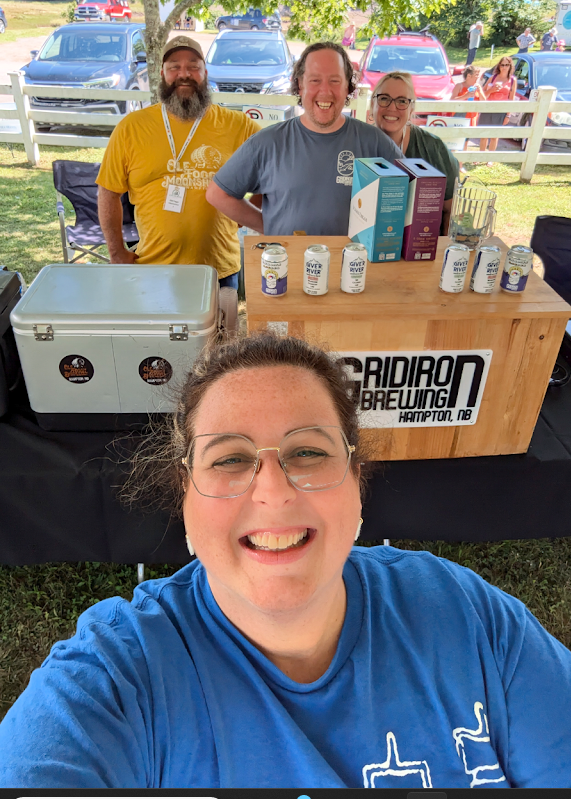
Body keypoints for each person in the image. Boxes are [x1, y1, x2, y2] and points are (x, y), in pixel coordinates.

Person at [1, 331, 571, 788]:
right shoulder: (115, 679)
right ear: (185, 493)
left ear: (357, 480)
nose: (272, 491)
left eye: (308, 452)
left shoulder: (469, 616)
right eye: (229, 459)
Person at [96, 36, 261, 332]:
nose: (184, 74)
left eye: (193, 67)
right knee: (158, 355)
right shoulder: (131, 129)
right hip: (152, 270)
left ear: (205, 74)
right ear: (161, 74)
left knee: (220, 354)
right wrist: (116, 251)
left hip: (219, 270)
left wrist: (242, 217)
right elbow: (108, 191)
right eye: (174, 67)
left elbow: (268, 182)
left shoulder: (239, 127)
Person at [205, 42, 402, 236]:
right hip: (288, 265)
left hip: (354, 265)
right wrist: (269, 226)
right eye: (315, 80)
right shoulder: (268, 143)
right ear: (300, 85)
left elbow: (413, 196)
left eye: (335, 80)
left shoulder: (375, 143)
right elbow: (218, 194)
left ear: (347, 86)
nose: (325, 91)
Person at [371, 71, 459, 234]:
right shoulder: (357, 144)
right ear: (372, 104)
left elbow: (451, 211)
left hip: (420, 248)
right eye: (384, 98)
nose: (392, 107)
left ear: (412, 108)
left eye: (402, 101)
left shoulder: (433, 148)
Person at [479, 57, 516, 163]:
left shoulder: (513, 80)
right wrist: (492, 90)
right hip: (488, 109)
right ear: (499, 66)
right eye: (502, 65)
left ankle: (490, 159)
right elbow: (482, 94)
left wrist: (508, 115)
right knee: (484, 134)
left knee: (495, 136)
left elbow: (511, 99)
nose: (504, 67)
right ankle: (480, 156)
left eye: (507, 65)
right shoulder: (493, 78)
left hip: (501, 110)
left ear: (510, 67)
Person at [451, 65, 486, 153]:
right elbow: (451, 100)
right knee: (455, 142)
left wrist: (480, 91)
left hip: (471, 117)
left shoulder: (477, 87)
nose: (478, 77)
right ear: (469, 76)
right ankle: (453, 164)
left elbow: (484, 101)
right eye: (476, 74)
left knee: (465, 142)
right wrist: (466, 96)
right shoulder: (459, 86)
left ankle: (460, 164)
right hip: (459, 117)